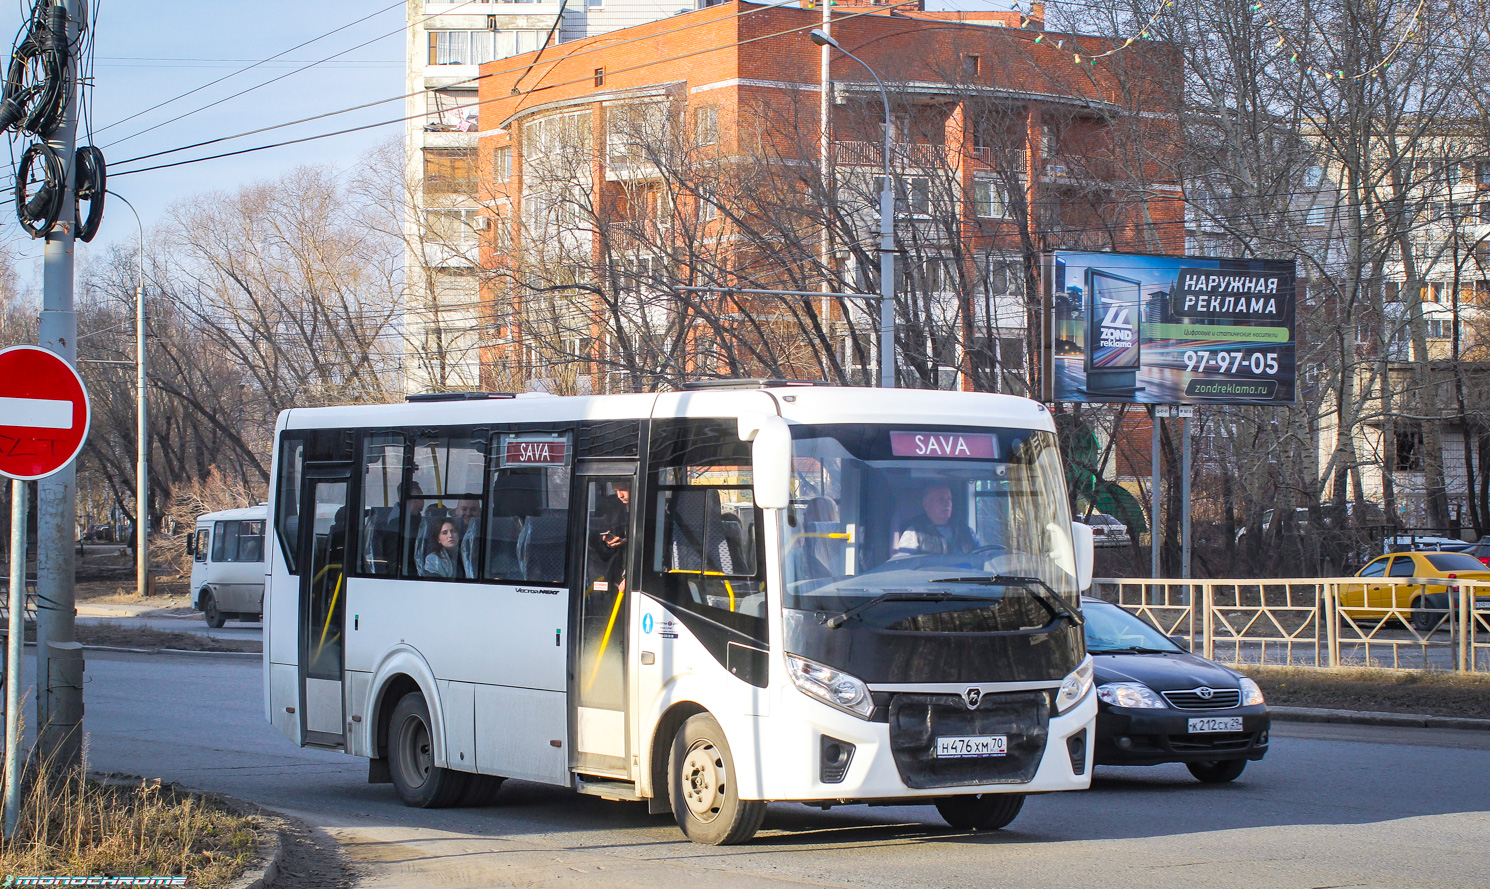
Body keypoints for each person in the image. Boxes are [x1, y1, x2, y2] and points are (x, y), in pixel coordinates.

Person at [894, 482, 978, 556]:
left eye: (949, 499)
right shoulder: (914, 533)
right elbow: (904, 566)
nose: (947, 503)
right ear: (926, 504)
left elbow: (982, 559)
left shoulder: (966, 531)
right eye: (941, 499)